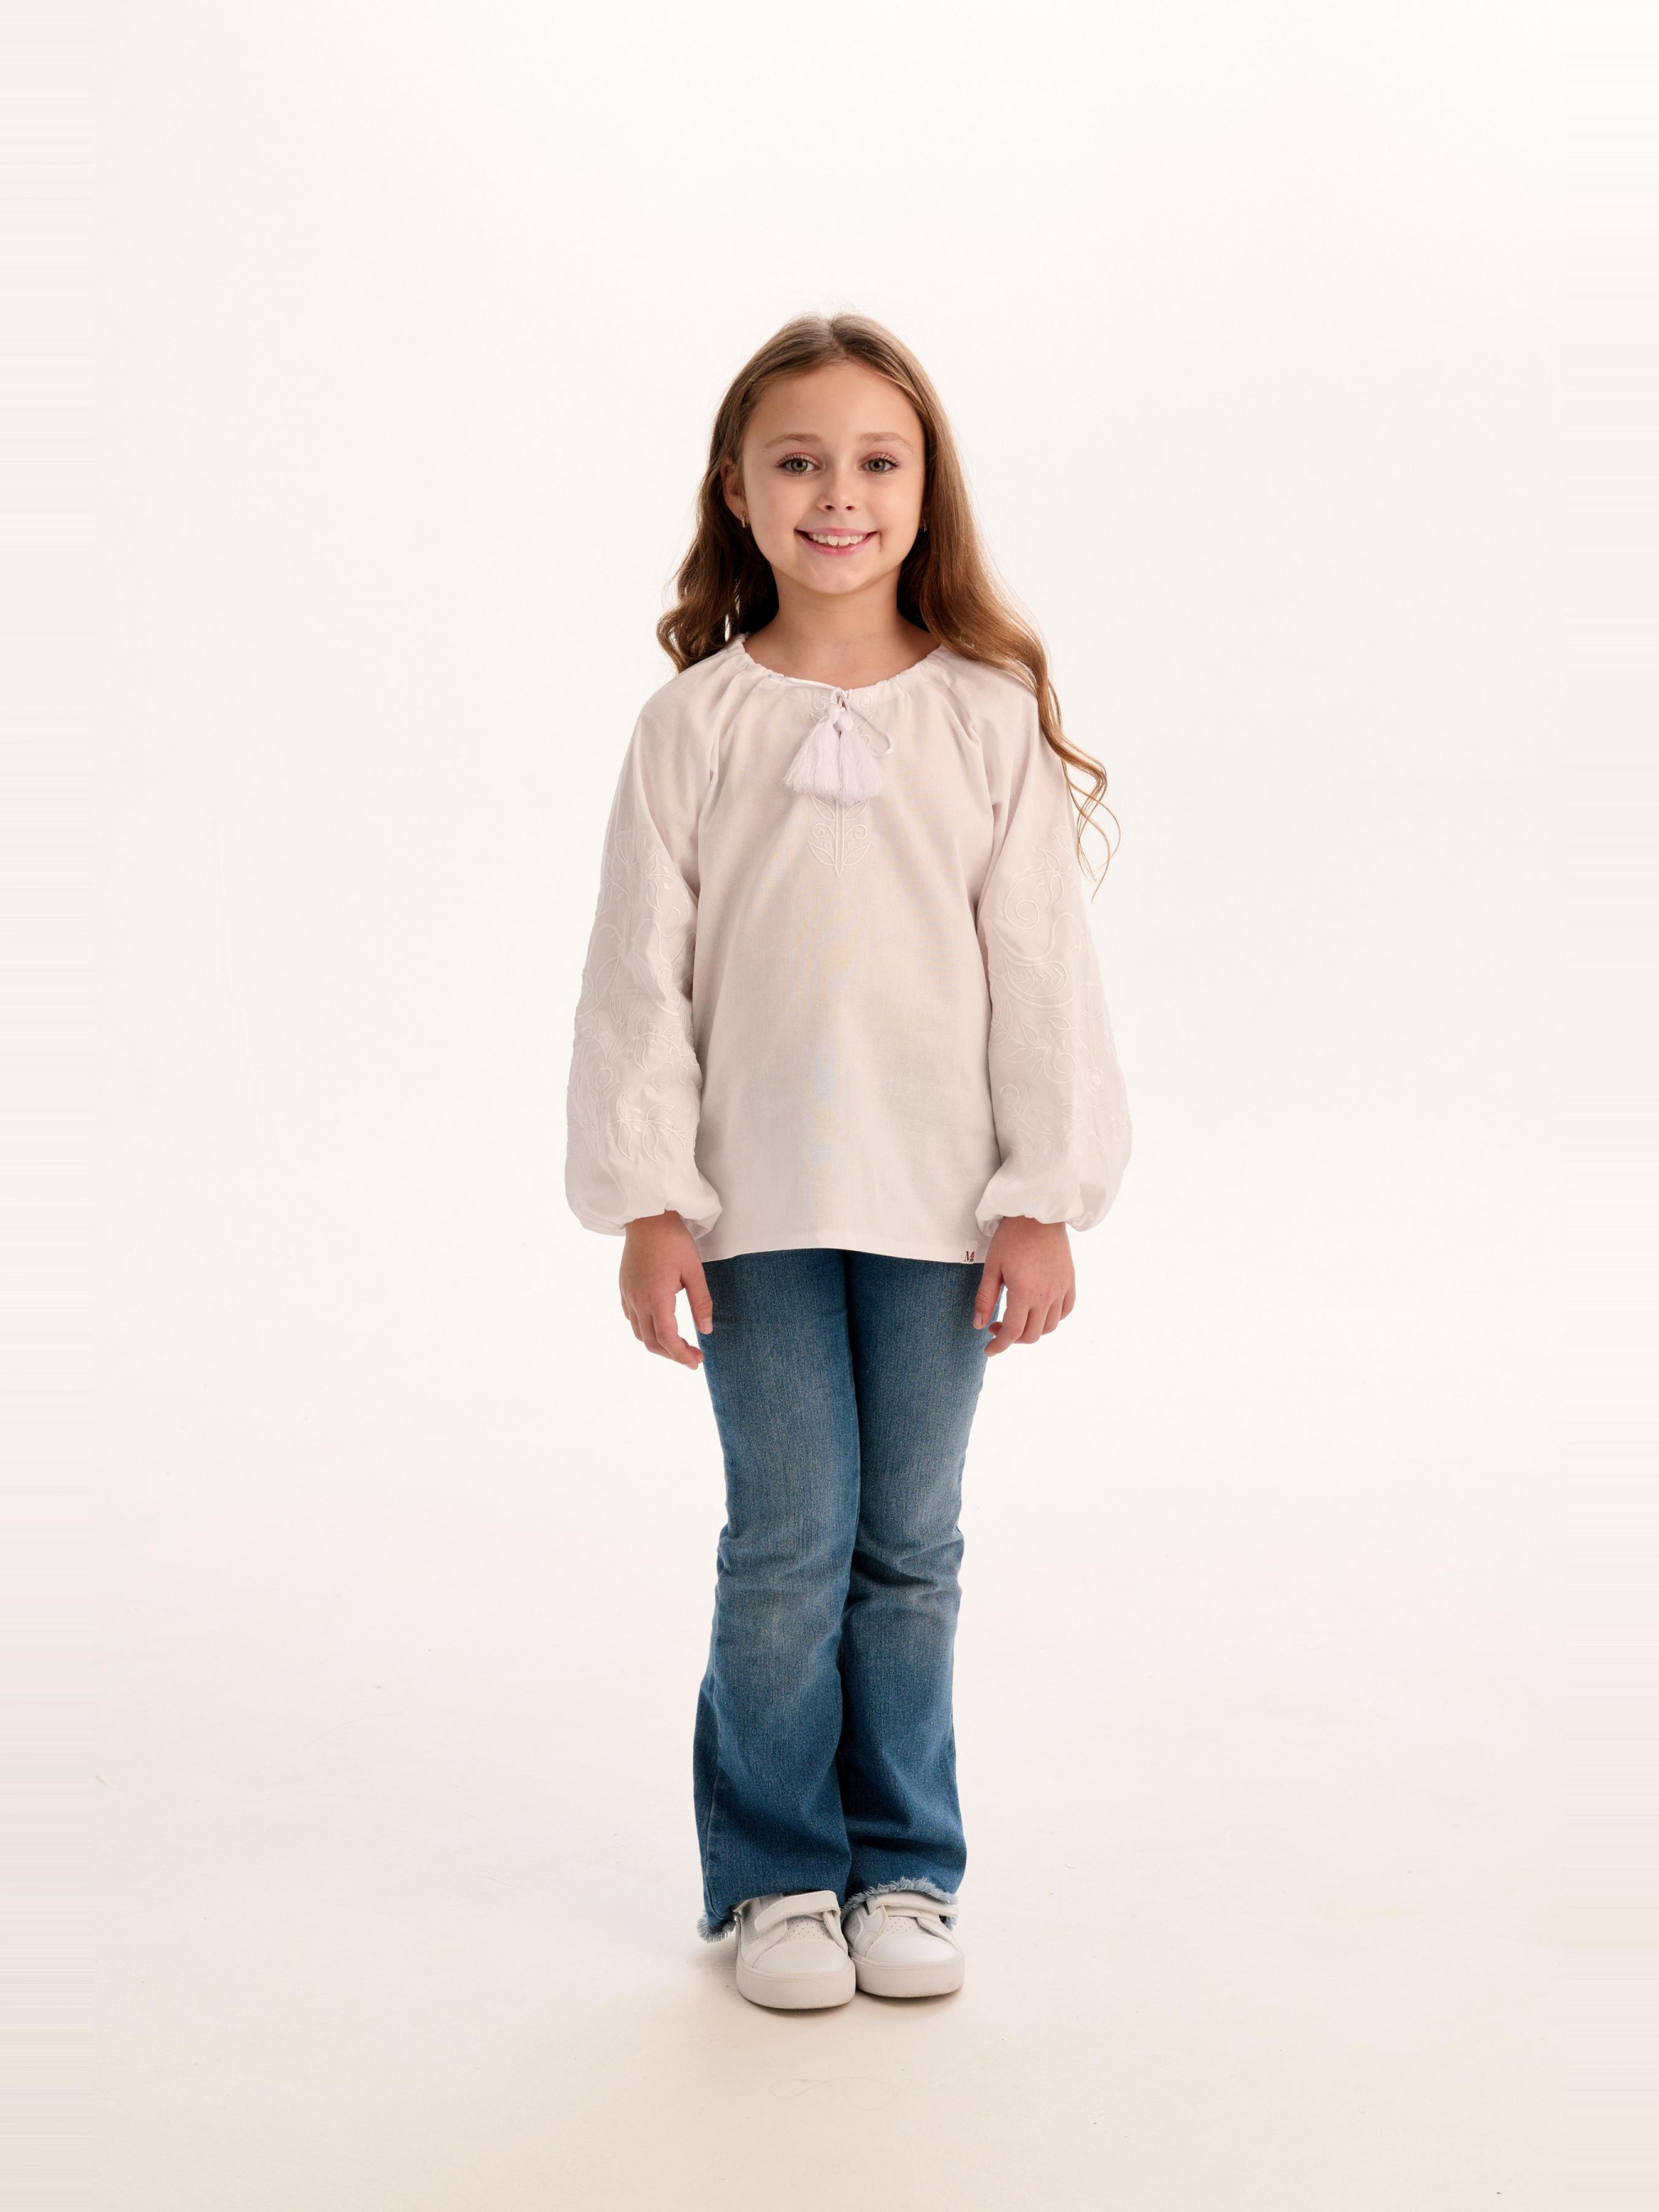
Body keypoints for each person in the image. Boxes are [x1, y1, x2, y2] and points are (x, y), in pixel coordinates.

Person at [564, 312, 1131, 2010]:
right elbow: (635, 978)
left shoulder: (983, 716)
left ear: (924, 487)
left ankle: (904, 1868)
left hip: (942, 1209)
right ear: (737, 490)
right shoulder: (693, 726)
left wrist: (1042, 1196)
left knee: (910, 1547)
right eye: (798, 461)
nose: (838, 494)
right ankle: (775, 1876)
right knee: (787, 1541)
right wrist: (645, 1200)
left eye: (876, 461)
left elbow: (1041, 971)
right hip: (749, 1210)